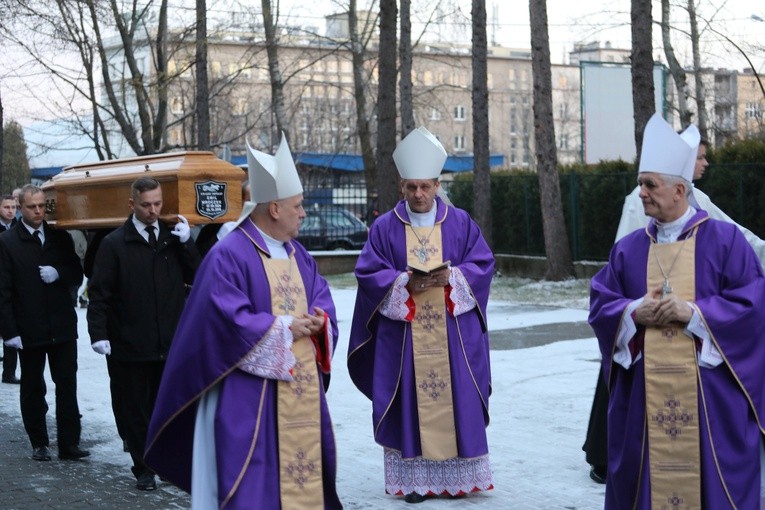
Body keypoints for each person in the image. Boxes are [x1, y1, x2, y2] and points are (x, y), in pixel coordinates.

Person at [145, 134, 342, 509]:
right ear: (273, 209)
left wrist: (320, 320)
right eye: (297, 206)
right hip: (246, 394)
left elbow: (322, 297)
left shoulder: (299, 254)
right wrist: (283, 328)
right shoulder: (228, 255)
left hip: (298, 387)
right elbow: (221, 320)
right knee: (253, 479)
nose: (303, 213)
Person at [589, 113, 765, 508]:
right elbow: (602, 301)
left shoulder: (724, 241)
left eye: (650, 185)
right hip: (644, 398)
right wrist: (634, 313)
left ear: (680, 190)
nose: (642, 194)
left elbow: (753, 303)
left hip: (709, 400)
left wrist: (695, 315)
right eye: (641, 185)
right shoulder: (630, 248)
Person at [347, 127, 495, 504]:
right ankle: (414, 481)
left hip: (452, 334)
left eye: (425, 187)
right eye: (411, 187)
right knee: (409, 400)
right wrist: (401, 285)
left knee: (457, 397)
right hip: (406, 337)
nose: (418, 194)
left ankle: (457, 480)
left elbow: (483, 263)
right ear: (402, 186)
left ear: (436, 184)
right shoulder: (384, 228)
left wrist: (455, 277)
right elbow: (368, 272)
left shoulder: (460, 222)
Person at [86, 177, 201, 491]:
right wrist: (98, 333)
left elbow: (199, 276)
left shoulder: (170, 238)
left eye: (158, 203)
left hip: (170, 342)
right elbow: (100, 295)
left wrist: (187, 243)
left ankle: (168, 463)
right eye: (146, 204)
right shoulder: (114, 244)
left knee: (169, 408)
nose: (153, 210)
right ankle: (144, 468)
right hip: (130, 343)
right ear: (131, 204)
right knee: (135, 410)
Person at [0, 184, 87, 461]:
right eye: (31, 207)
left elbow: (76, 273)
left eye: (41, 206)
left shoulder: (58, 238)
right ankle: (39, 441)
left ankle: (69, 443)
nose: (38, 211)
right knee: (33, 386)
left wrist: (59, 272)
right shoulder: (8, 242)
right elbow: (3, 291)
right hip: (29, 328)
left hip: (61, 325)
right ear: (20, 208)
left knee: (67, 385)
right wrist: (9, 332)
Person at [0, 194, 20, 384]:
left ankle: (9, 371)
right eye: (7, 207)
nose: (10, 211)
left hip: (11, 284)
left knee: (10, 328)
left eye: (13, 207)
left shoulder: (17, 228)